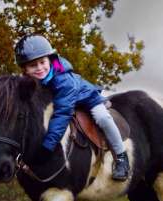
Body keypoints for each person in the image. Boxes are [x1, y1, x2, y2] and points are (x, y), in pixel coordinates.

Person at [15, 34, 130, 181]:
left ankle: (121, 157)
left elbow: (62, 114)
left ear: (49, 59)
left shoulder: (63, 81)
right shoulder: (32, 81)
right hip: (64, 101)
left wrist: (47, 147)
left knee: (103, 118)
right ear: (24, 69)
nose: (40, 68)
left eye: (42, 62)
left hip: (87, 99)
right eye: (33, 65)